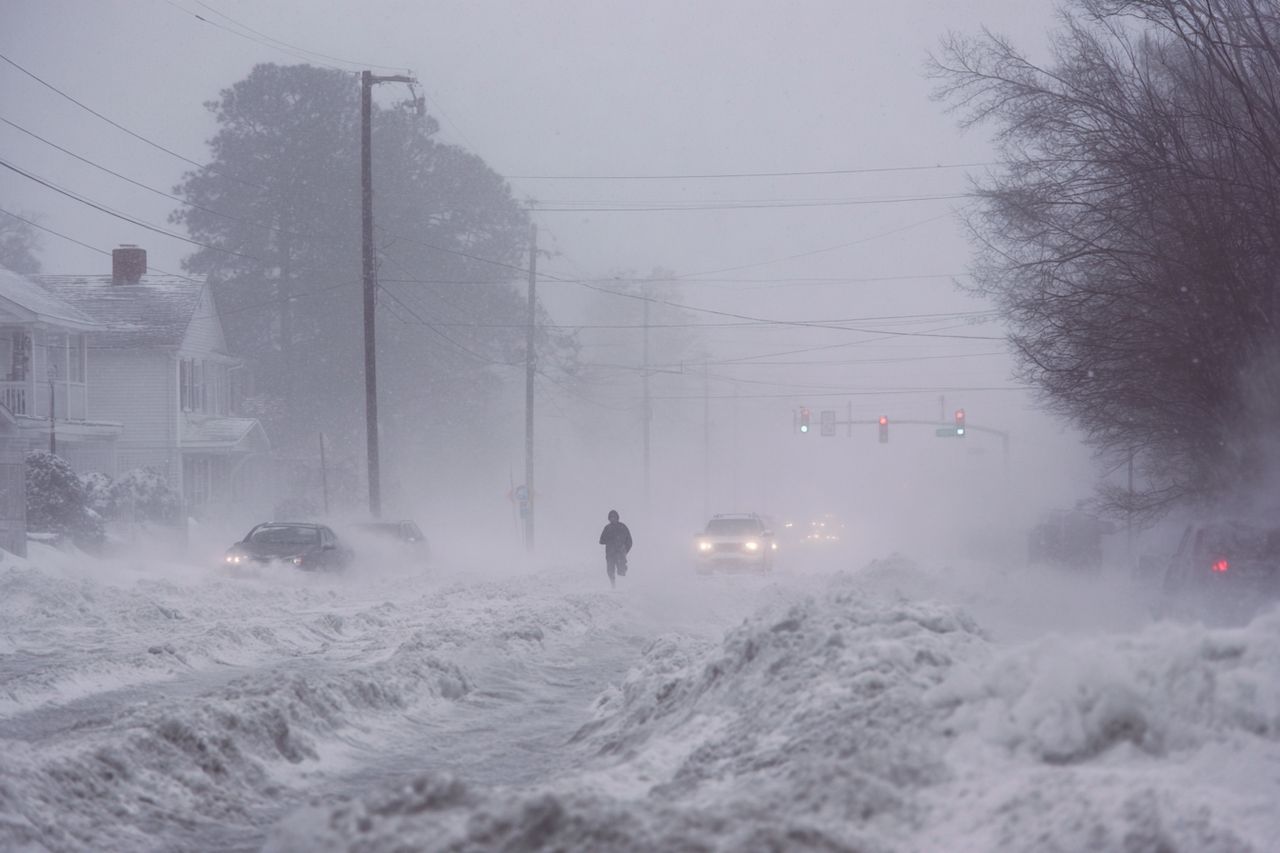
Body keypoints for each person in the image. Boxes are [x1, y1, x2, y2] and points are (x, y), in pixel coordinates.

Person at [598, 509, 632, 588]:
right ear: (609, 518)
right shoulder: (607, 528)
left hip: (620, 554)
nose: (613, 519)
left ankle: (624, 587)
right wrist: (608, 539)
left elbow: (629, 541)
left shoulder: (623, 527)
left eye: (614, 517)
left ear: (617, 517)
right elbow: (601, 541)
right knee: (610, 571)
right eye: (611, 517)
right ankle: (613, 586)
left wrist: (625, 551)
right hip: (610, 554)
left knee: (621, 570)